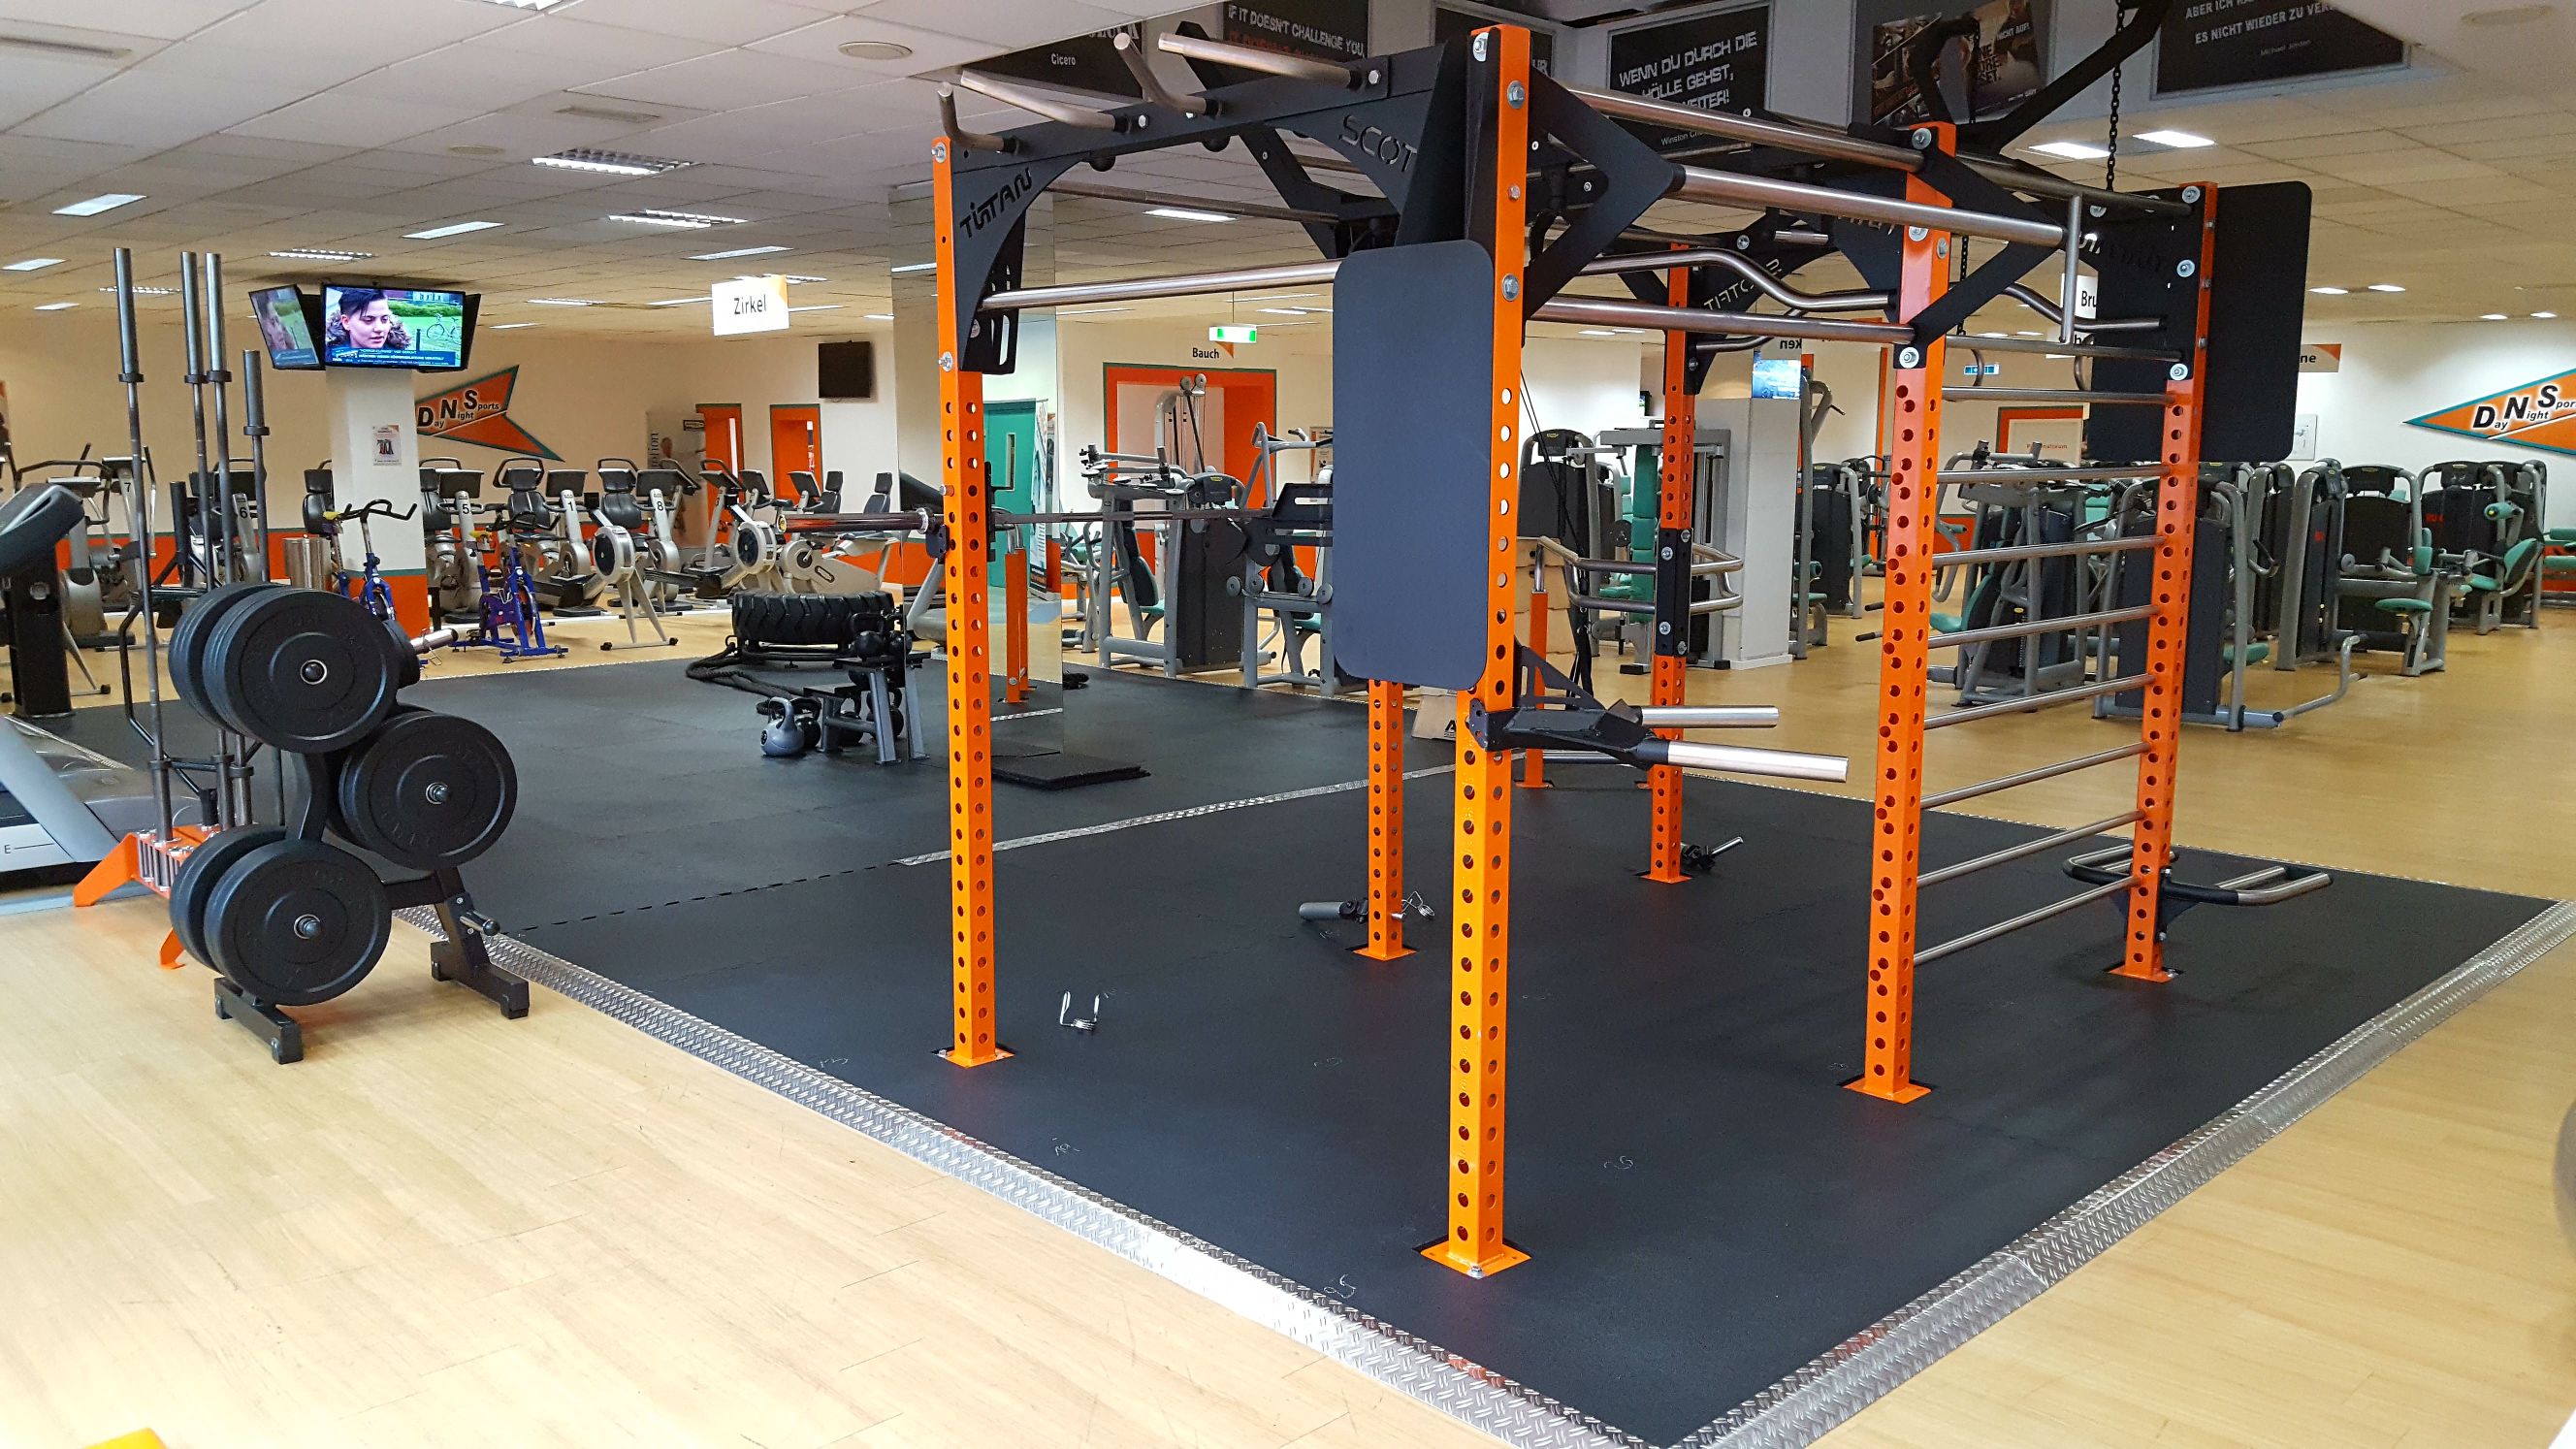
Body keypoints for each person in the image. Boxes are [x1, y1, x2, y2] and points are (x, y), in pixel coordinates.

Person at [326, 288, 409, 351]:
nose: (379, 328)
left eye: (384, 319)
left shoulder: (403, 358)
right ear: (346, 322)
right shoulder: (328, 357)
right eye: (368, 320)